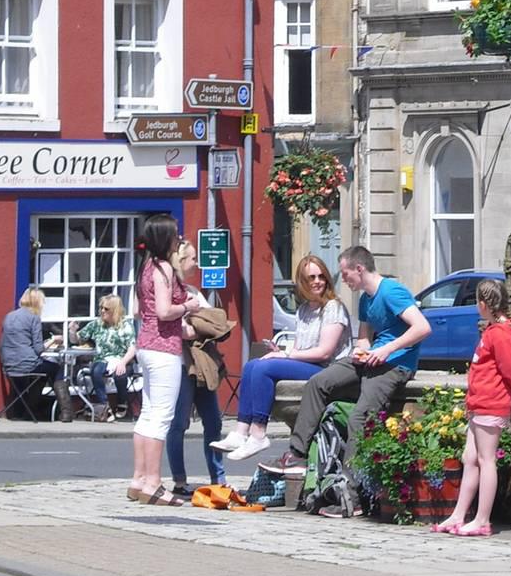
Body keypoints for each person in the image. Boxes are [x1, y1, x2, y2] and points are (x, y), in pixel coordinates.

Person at [261, 244, 430, 517]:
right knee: (318, 383)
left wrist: (386, 350)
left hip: (396, 364)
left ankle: (351, 497)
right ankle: (297, 455)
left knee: (359, 418)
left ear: (359, 269)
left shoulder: (392, 292)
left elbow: (422, 327)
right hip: (371, 360)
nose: (343, 280)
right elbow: (364, 338)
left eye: (346, 273)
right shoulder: (365, 300)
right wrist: (361, 351)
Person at [212, 255, 352, 461]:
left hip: (329, 369)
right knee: (252, 365)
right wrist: (282, 352)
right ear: (302, 282)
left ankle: (258, 434)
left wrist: (285, 355)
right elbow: (299, 348)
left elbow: (324, 352)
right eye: (311, 277)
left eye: (321, 276)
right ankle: (241, 432)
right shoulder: (304, 310)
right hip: (310, 364)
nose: (317, 281)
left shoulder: (333, 307)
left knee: (264, 368)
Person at [432, 278, 511, 538]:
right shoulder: (493, 330)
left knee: (486, 460)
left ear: (484, 305)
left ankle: (483, 520)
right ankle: (458, 515)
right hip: (480, 402)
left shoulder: (500, 333)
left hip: (491, 402)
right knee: (470, 458)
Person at [115, 213, 203, 506]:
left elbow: (139, 311)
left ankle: (138, 479)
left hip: (145, 346)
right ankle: (153, 483)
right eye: (175, 234)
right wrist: (188, 305)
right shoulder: (164, 268)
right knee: (162, 417)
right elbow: (165, 311)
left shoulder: (145, 266)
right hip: (164, 349)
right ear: (166, 238)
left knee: (148, 414)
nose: (179, 239)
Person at [166, 239, 232, 495]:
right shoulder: (170, 290)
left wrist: (197, 326)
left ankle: (218, 478)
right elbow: (179, 329)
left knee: (213, 422)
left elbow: (212, 323)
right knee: (179, 423)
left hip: (203, 364)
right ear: (181, 261)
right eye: (193, 258)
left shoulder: (194, 291)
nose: (197, 263)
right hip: (181, 365)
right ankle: (179, 480)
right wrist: (193, 326)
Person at [0, 286, 71, 421]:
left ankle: (28, 410)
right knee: (56, 368)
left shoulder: (9, 316)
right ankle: (66, 412)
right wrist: (53, 340)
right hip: (27, 365)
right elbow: (38, 350)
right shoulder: (33, 318)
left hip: (9, 365)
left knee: (41, 374)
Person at [71, 295, 135, 421]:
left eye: (106, 309)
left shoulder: (126, 325)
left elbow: (132, 348)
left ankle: (122, 402)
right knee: (96, 371)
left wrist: (123, 362)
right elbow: (77, 340)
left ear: (114, 310)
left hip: (121, 358)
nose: (102, 311)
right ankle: (105, 406)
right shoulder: (97, 324)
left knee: (120, 374)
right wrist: (72, 331)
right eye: (101, 308)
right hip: (102, 358)